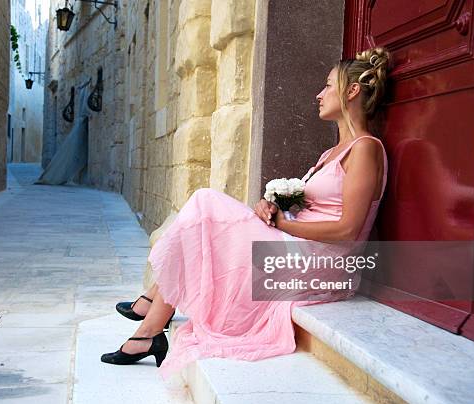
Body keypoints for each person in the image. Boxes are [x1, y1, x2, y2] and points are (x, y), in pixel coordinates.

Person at [101, 47, 391, 377]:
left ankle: (151, 317)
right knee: (206, 215)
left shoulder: (365, 148)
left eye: (328, 85)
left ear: (352, 91)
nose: (319, 94)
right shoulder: (331, 152)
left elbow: (347, 230)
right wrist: (274, 208)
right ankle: (151, 323)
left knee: (205, 205)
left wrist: (283, 224)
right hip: (298, 244)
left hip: (322, 263)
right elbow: (314, 207)